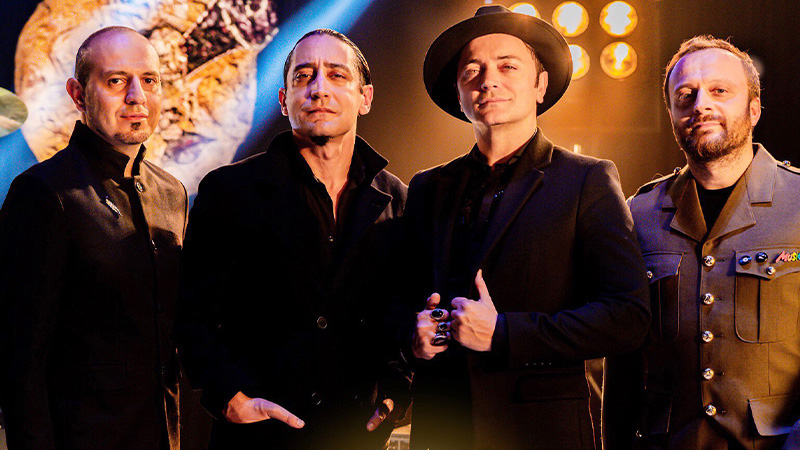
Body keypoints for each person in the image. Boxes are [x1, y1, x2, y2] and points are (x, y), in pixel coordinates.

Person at [403, 5, 651, 450]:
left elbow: (627, 318)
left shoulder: (587, 179)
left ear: (540, 85)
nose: (488, 80)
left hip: (541, 432)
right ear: (459, 93)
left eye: (507, 66)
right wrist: (413, 336)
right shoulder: (426, 187)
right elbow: (397, 300)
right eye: (472, 70)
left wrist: (504, 333)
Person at [173, 29, 409, 450]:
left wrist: (397, 389)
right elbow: (190, 313)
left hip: (355, 435)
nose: (319, 88)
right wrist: (228, 396)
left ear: (365, 97)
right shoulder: (229, 191)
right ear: (283, 100)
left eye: (337, 75)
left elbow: (407, 311)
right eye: (304, 76)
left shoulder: (399, 200)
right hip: (257, 438)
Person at [604, 35, 800, 450]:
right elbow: (622, 362)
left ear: (754, 109)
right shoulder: (639, 212)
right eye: (685, 95)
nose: (700, 105)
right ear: (672, 114)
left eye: (719, 91)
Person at [0, 27, 186, 450]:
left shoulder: (171, 193)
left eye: (150, 80)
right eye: (116, 80)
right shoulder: (44, 193)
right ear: (78, 94)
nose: (137, 96)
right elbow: (19, 361)